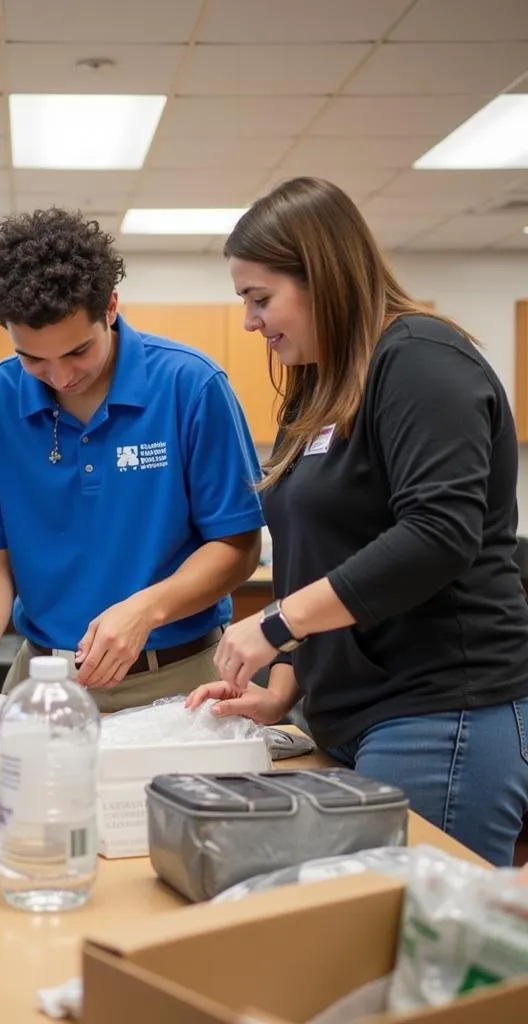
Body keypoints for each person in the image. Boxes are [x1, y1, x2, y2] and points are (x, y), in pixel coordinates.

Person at [188, 176, 528, 866]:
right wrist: (285, 684)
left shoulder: (421, 359)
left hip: (440, 711)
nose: (251, 321)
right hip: (351, 712)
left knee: (429, 949)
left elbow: (437, 535)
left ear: (323, 276)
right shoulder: (320, 385)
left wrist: (277, 622)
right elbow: (326, 551)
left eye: (261, 298)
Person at [0, 208, 264, 714]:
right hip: (45, 682)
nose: (60, 376)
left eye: (77, 352)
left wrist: (146, 609)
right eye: (33, 359)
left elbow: (238, 547)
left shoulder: (191, 386)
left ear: (110, 307)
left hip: (178, 679)